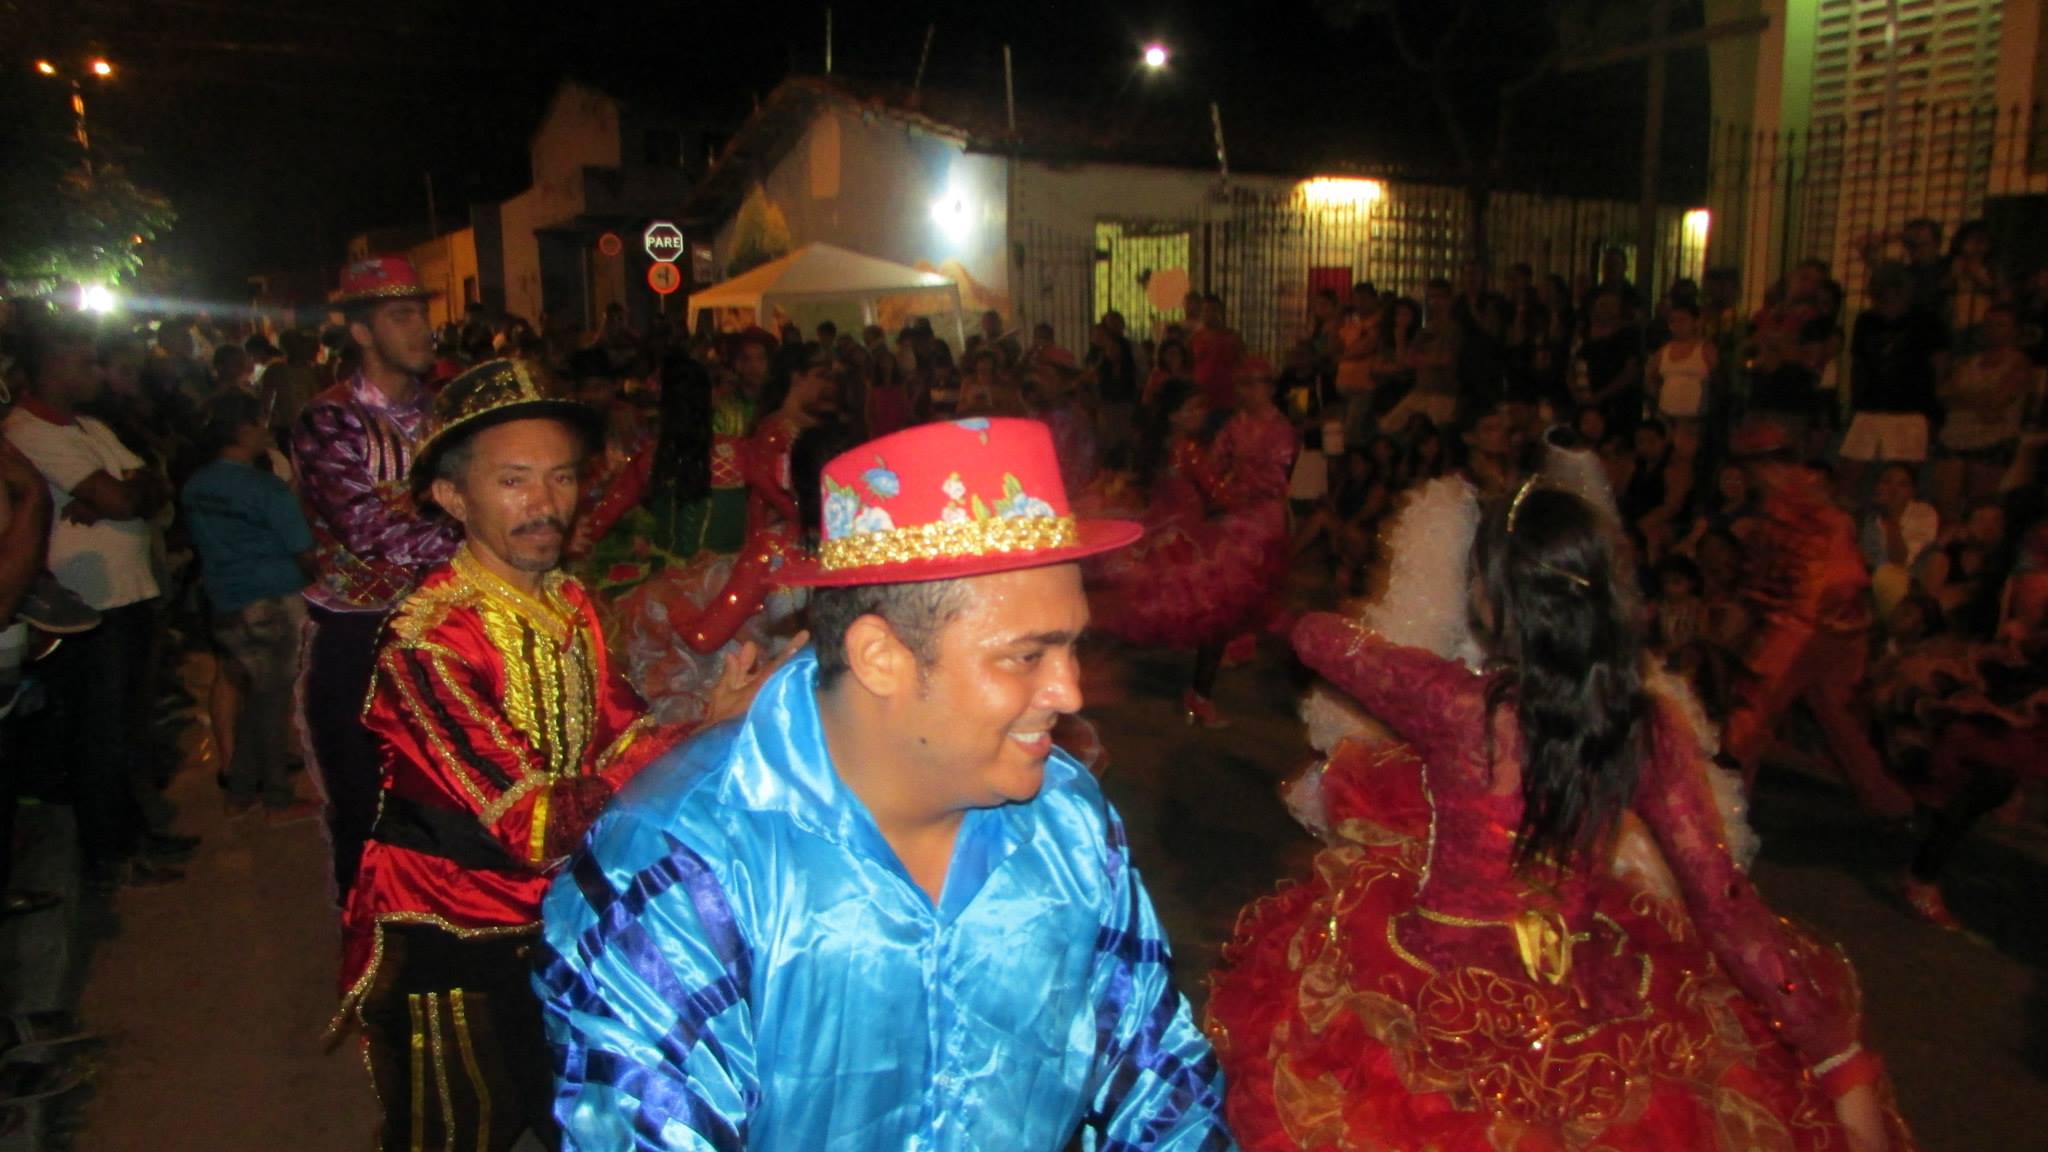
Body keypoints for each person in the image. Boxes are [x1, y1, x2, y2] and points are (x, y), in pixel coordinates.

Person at [536, 417, 1229, 1150]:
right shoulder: (684, 866)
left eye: (1072, 647)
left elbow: (1158, 1080)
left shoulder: (1068, 822)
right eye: (1027, 657)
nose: (1070, 692)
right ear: (880, 657)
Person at [1207, 473, 1914, 1152]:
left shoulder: (1456, 704)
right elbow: (1724, 904)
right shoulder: (1642, 728)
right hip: (1578, 989)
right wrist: (1836, 1057)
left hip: (1433, 989)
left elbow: (1318, 639)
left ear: (1489, 599)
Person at [334, 359, 783, 1151]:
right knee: (456, 1131)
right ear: (452, 496)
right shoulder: (428, 641)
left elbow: (623, 735)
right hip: (454, 935)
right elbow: (534, 826)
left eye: (562, 477)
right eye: (514, 481)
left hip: (560, 916)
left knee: (589, 1114)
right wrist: (696, 733)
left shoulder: (568, 601)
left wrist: (710, 723)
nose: (545, 504)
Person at [291, 257, 462, 900]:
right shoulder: (330, 419)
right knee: (365, 806)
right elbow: (367, 529)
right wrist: (485, 541)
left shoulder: (448, 412)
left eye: (422, 313)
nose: (422, 328)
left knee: (454, 800)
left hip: (450, 623)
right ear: (361, 332)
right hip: (362, 634)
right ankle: (369, 944)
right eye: (401, 316)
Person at [4, 316, 194, 890]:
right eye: (84, 362)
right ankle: (113, 850)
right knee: (98, 733)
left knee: (125, 726)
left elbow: (152, 482)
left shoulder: (88, 426)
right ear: (50, 367)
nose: (97, 373)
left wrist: (127, 492)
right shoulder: (28, 431)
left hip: (127, 593)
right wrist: (124, 493)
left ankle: (133, 833)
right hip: (86, 605)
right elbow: (122, 496)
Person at [1720, 422, 1915, 817]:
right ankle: (1891, 806)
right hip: (1824, 630)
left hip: (1804, 631)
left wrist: (1773, 624)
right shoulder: (1788, 508)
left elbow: (1830, 582)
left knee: (1751, 716)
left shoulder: (1809, 512)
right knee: (1838, 721)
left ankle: (1724, 811)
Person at [1093, 361, 1298, 725]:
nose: (1202, 414)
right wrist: (1238, 494)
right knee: (1217, 613)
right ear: (1175, 415)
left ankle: (1184, 688)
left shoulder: (1159, 446)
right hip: (1193, 537)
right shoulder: (1188, 449)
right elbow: (1218, 492)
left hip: (1169, 532)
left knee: (1164, 607)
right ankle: (1200, 698)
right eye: (1194, 408)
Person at [180, 390, 319, 822]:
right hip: (272, 602)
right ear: (242, 430)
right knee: (271, 703)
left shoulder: (197, 485)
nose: (266, 431)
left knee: (254, 695)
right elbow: (302, 549)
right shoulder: (265, 489)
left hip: (224, 598)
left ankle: (240, 788)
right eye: (260, 423)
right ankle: (275, 796)